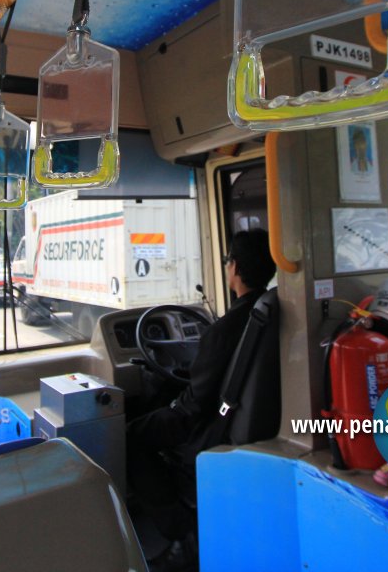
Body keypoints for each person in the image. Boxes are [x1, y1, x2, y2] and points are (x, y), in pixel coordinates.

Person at [126, 228, 277, 570]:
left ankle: (182, 536)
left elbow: (193, 406)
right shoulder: (270, 311)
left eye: (227, 262)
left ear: (234, 268)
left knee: (132, 436)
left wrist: (168, 407)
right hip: (245, 415)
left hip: (213, 425)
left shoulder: (225, 329)